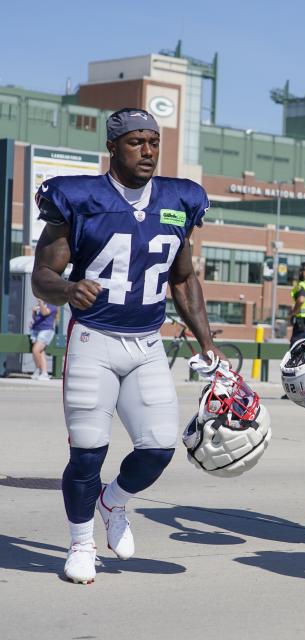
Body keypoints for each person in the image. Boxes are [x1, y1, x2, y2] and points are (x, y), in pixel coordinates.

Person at [31, 107, 224, 585]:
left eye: (153, 142)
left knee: (159, 448)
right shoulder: (77, 198)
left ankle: (112, 502)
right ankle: (80, 543)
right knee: (88, 452)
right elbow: (42, 276)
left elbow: (183, 279)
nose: (148, 151)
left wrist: (206, 341)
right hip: (94, 339)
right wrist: (68, 289)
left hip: (147, 343)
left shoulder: (180, 199)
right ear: (112, 147)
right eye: (136, 142)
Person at [29, 298, 58, 380]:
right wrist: (33, 312)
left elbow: (45, 313)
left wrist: (41, 303)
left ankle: (41, 371)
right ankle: (42, 372)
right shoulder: (40, 305)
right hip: (36, 330)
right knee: (40, 352)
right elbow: (36, 318)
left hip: (46, 330)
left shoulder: (52, 305)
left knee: (36, 350)